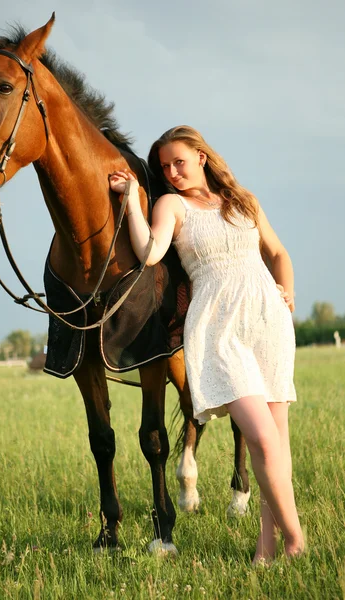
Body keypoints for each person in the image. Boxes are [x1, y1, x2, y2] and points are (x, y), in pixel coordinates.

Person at [109, 125, 304, 563]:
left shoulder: (243, 200)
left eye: (179, 161)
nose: (173, 172)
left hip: (267, 323)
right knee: (264, 440)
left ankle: (267, 546)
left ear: (201, 156)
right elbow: (150, 251)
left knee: (276, 443)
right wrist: (132, 199)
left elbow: (277, 252)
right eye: (164, 167)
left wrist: (285, 291)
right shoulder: (170, 205)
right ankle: (296, 538)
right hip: (218, 330)